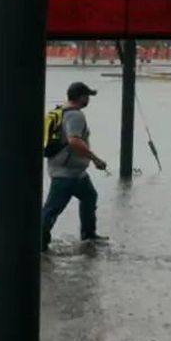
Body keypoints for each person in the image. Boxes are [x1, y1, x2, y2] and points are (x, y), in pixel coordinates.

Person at [41, 81, 109, 251]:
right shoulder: (75, 116)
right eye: (88, 96)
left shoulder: (61, 111)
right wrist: (95, 159)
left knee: (89, 196)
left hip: (75, 172)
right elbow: (74, 141)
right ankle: (39, 241)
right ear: (81, 97)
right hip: (66, 173)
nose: (89, 100)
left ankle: (89, 235)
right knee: (52, 208)